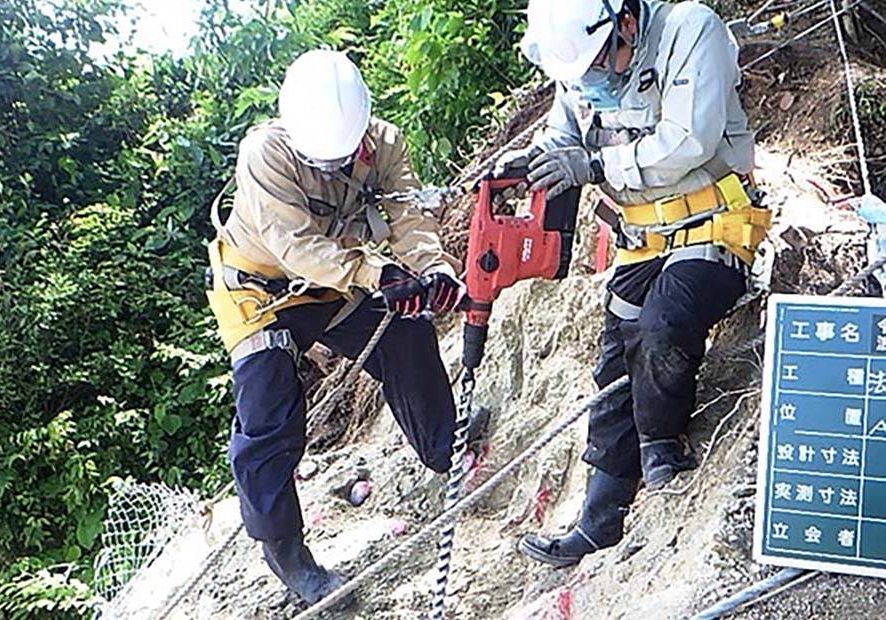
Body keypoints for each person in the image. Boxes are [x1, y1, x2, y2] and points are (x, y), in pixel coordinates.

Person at [495, 0, 771, 567]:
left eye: (601, 63)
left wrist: (594, 166)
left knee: (663, 323)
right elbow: (563, 133)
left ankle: (662, 451)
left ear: (625, 21)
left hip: (713, 227)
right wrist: (539, 159)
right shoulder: (579, 66)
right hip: (641, 240)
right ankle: (600, 515)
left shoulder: (690, 31)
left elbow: (689, 140)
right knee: (615, 358)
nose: (595, 79)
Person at [205, 50, 486, 602]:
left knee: (405, 332)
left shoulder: (384, 145)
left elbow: (408, 215)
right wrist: (378, 272)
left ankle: (442, 447)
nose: (333, 166)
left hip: (334, 285)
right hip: (259, 291)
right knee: (268, 415)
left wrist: (431, 269)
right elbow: (296, 246)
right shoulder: (266, 154)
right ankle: (287, 554)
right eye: (322, 158)